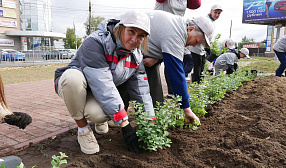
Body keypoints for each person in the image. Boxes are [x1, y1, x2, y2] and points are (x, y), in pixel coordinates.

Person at [54, 10, 154, 154]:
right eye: (131, 31)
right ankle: (83, 130)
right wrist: (125, 125)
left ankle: (99, 121)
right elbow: (103, 84)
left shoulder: (135, 56)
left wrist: (151, 121)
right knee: (72, 79)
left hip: (97, 90)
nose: (134, 39)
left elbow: (141, 91)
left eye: (141, 36)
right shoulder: (95, 42)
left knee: (99, 114)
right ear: (120, 28)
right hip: (75, 85)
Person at [143, 10, 215, 126]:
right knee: (130, 87)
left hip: (146, 56)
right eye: (197, 41)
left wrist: (157, 58)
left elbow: (161, 45)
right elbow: (176, 73)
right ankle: (116, 117)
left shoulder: (178, 26)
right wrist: (186, 108)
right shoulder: (175, 33)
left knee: (155, 100)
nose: (194, 45)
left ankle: (152, 121)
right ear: (191, 29)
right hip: (127, 51)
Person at [154, 0, 201, 97]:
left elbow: (196, 4)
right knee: (155, 64)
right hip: (160, 28)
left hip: (177, 30)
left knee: (178, 60)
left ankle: (173, 92)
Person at [188, 4, 223, 83]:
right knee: (197, 65)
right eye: (215, 12)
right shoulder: (205, 20)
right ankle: (196, 83)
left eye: (219, 13)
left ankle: (200, 81)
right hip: (196, 46)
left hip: (202, 47)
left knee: (202, 65)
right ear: (211, 12)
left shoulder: (212, 22)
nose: (217, 15)